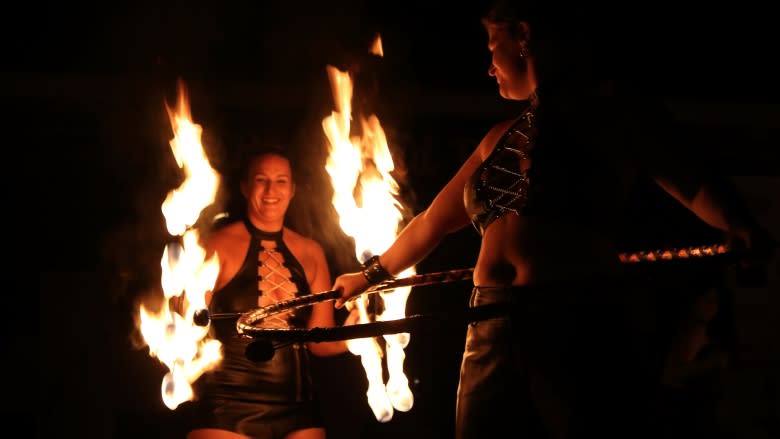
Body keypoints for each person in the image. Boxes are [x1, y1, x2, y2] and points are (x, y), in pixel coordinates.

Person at [331, 1, 774, 438]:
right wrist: (368, 276)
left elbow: (691, 180)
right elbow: (432, 221)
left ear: (523, 35)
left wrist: (740, 226)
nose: (489, 68)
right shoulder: (497, 138)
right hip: (490, 321)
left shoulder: (611, 111)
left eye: (492, 47)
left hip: (572, 314)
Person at [187, 145, 354, 439]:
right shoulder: (216, 245)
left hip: (298, 407)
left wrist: (356, 335)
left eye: (281, 181)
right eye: (261, 179)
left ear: (292, 190)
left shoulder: (311, 252)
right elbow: (190, 326)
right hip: (228, 402)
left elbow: (320, 340)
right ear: (245, 186)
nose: (270, 190)